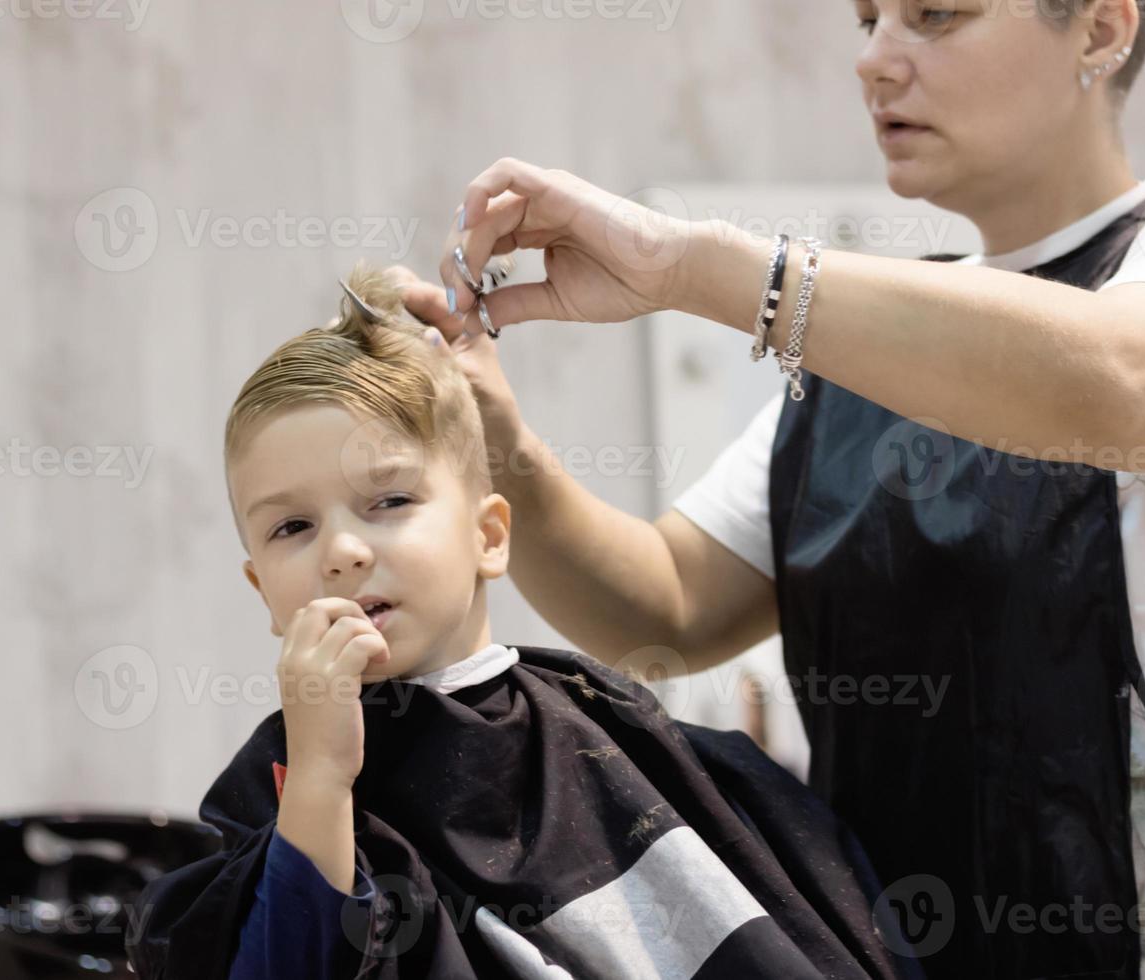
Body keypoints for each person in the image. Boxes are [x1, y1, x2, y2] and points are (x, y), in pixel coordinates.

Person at [387, 1, 1145, 977]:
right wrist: (496, 433)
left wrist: (693, 268)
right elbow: (660, 605)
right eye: (867, 17)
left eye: (935, 14)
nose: (874, 58)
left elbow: (1116, 385)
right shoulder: (860, 364)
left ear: (1099, 27)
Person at [123, 264, 924, 980]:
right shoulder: (284, 782)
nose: (341, 551)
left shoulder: (606, 726)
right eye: (290, 528)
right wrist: (322, 784)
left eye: (390, 502)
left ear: (489, 536)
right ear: (261, 587)